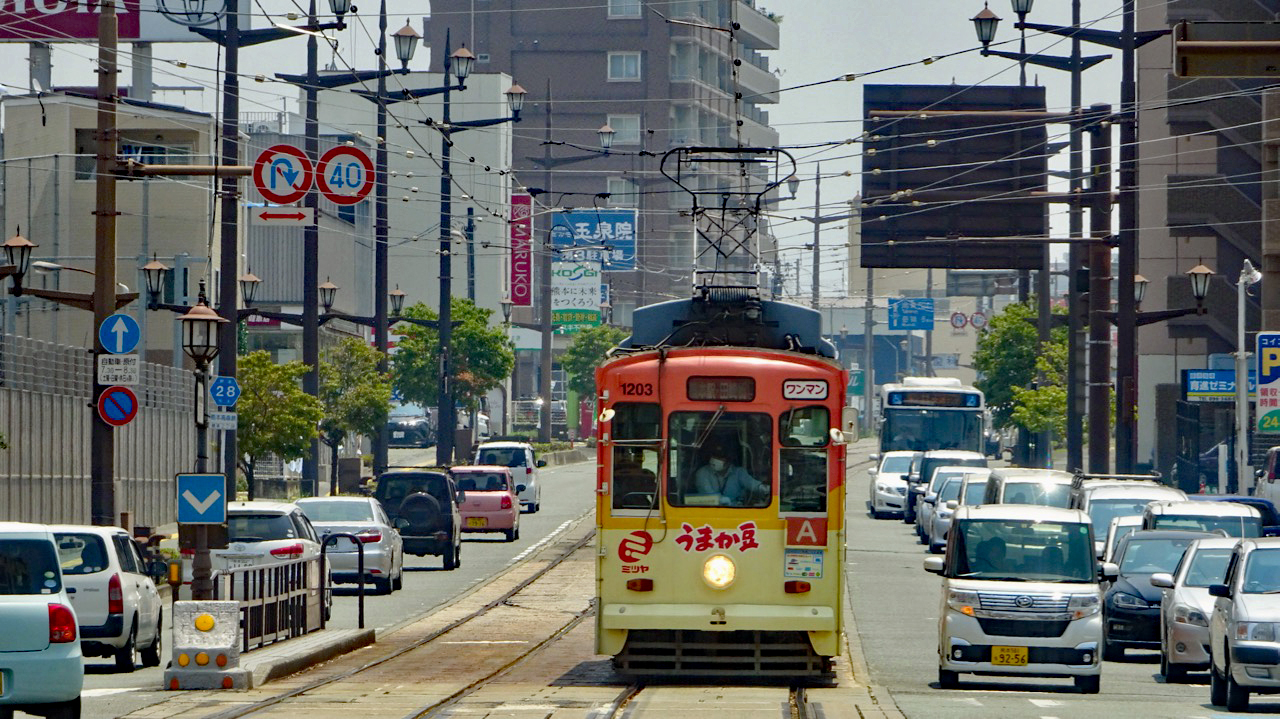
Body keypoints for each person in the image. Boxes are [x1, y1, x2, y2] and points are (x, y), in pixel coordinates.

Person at [693, 443, 768, 507]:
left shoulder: (739, 472)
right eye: (714, 456)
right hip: (711, 512)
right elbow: (708, 496)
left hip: (735, 512)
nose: (715, 460)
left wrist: (763, 488)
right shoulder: (702, 473)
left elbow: (752, 484)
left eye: (720, 458)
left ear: (729, 460)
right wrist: (725, 501)